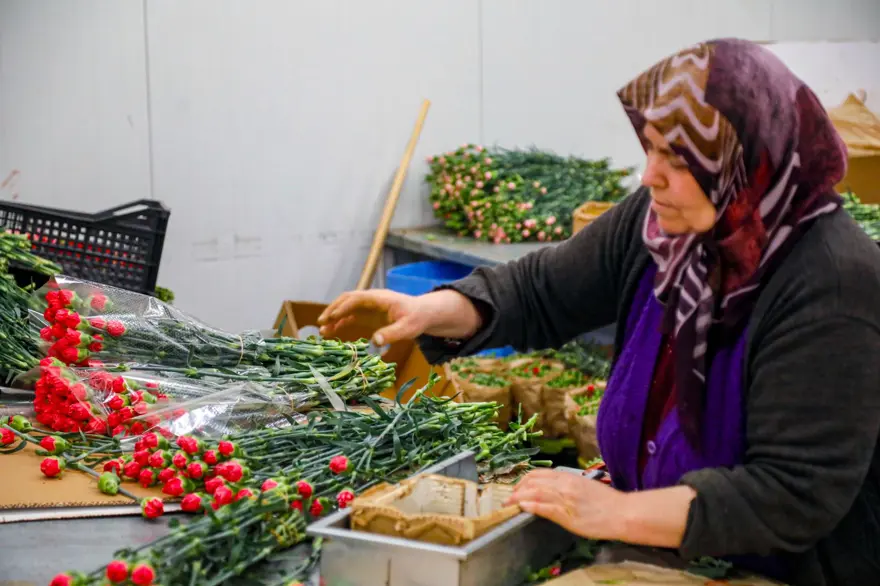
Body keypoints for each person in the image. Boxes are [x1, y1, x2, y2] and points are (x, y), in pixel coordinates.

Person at [318, 38, 880, 586]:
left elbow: (790, 493)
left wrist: (612, 513)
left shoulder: (830, 282)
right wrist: (429, 310)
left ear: (749, 163)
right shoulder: (662, 228)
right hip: (659, 552)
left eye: (678, 158)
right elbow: (542, 289)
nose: (649, 175)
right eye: (649, 148)